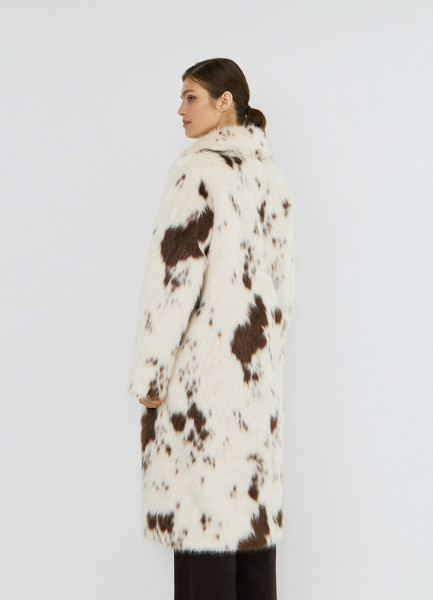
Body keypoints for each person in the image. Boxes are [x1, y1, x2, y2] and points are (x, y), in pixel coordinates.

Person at [127, 57, 296, 600]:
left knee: (203, 537)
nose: (180, 110)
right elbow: (282, 293)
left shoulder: (198, 170)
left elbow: (172, 283)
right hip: (255, 387)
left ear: (225, 102)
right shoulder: (270, 176)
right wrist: (264, 368)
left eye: (191, 97)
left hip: (201, 389)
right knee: (249, 536)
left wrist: (151, 376)